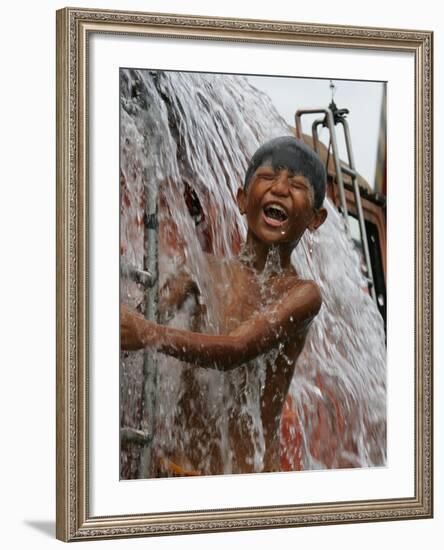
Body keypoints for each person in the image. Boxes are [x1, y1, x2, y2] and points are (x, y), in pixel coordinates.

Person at [121, 135, 328, 476]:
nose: (279, 189)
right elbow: (137, 321)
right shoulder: (201, 270)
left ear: (316, 219)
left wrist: (148, 333)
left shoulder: (302, 294)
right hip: (176, 468)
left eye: (296, 184)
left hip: (246, 479)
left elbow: (235, 350)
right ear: (243, 199)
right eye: (267, 177)